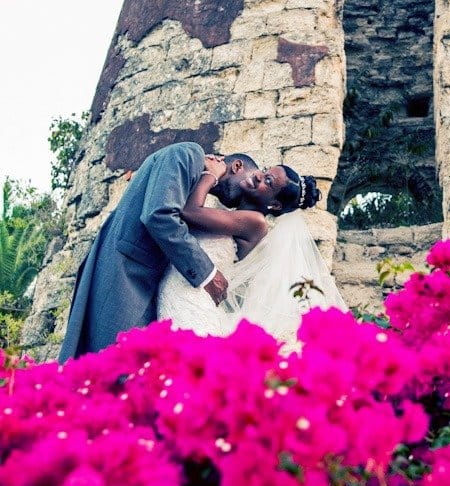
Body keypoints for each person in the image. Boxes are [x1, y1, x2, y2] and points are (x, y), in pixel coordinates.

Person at [58, 142, 254, 362]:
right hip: (125, 276)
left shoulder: (189, 173)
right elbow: (159, 215)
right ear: (237, 165)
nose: (240, 199)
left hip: (138, 278)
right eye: (252, 180)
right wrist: (208, 273)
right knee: (114, 368)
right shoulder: (188, 153)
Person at [157, 162, 348, 344]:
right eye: (264, 171)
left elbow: (190, 212)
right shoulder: (231, 213)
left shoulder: (256, 223)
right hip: (182, 287)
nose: (258, 175)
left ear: (275, 205)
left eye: (268, 181)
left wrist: (212, 174)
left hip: (193, 299)